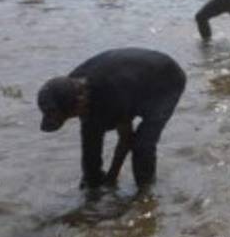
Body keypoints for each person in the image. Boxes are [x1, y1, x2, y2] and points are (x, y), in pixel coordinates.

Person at [37, 48, 186, 190]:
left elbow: (126, 139)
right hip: (131, 78)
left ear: (79, 103)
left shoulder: (110, 92)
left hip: (167, 80)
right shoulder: (66, 87)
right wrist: (92, 181)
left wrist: (112, 177)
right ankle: (93, 192)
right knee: (90, 152)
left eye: (69, 115)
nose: (74, 118)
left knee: (142, 145)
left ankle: (145, 195)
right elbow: (90, 145)